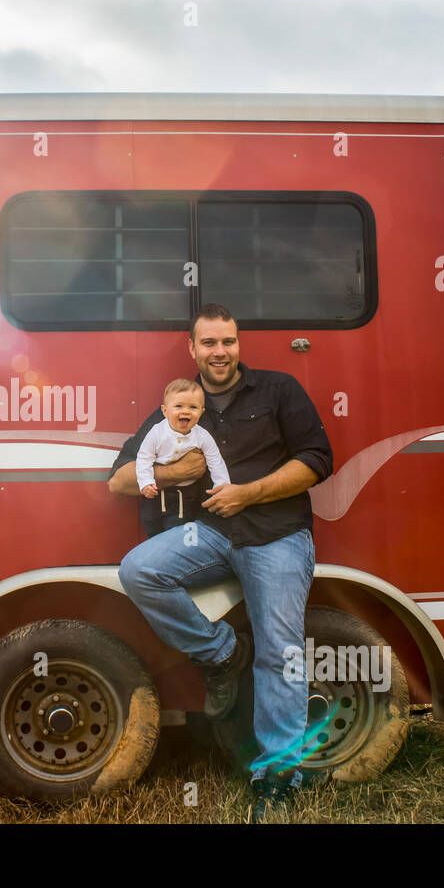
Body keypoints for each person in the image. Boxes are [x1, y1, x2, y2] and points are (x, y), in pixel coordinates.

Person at [107, 303, 333, 822]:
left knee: (281, 650)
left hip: (275, 534)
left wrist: (249, 493)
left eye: (227, 341)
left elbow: (318, 459)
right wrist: (173, 472)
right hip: (208, 534)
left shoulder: (278, 391)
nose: (219, 352)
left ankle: (277, 776)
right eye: (208, 343)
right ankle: (223, 654)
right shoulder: (175, 407)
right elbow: (119, 479)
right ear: (192, 349)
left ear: (239, 344)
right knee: (139, 571)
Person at [135, 379, 231, 535]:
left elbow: (216, 461)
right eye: (178, 406)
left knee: (180, 527)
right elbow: (144, 458)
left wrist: (222, 485)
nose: (185, 411)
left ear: (201, 412)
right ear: (165, 411)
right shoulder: (157, 432)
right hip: (157, 490)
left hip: (186, 494)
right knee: (150, 522)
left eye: (193, 407)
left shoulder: (202, 436)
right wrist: (146, 482)